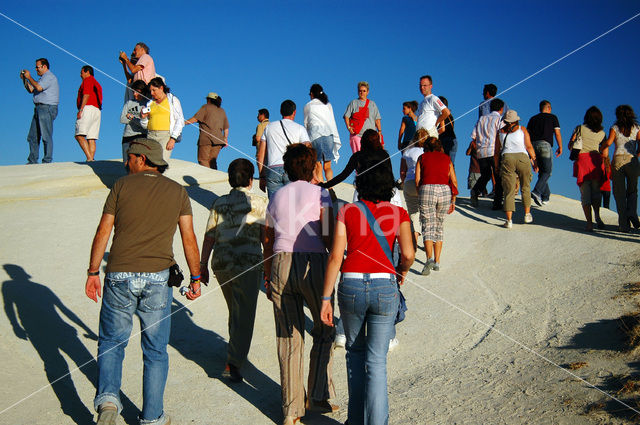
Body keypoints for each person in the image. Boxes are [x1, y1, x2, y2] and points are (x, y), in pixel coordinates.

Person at [85, 138, 201, 425]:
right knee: (156, 351)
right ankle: (151, 418)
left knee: (112, 342)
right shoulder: (178, 191)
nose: (126, 163)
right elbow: (189, 237)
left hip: (119, 275)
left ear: (141, 158)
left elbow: (103, 230)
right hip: (158, 279)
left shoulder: (121, 186)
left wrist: (92, 272)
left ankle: (109, 403)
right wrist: (196, 277)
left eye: (130, 158)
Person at [320, 149, 415, 425]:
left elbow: (336, 256)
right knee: (376, 362)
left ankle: (355, 421)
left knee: (354, 355)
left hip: (350, 284)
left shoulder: (348, 211)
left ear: (360, 180)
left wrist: (326, 298)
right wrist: (402, 272)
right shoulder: (398, 213)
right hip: (385, 285)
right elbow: (407, 253)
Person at [263, 143, 337, 425]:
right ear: (313, 166)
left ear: (288, 168)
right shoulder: (322, 194)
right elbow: (328, 233)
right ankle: (317, 394)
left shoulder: (277, 195)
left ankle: (291, 411)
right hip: (313, 262)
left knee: (288, 336)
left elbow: (267, 238)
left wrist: (268, 274)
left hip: (281, 261)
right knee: (324, 327)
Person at [199, 158, 268, 382]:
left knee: (235, 309)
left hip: (222, 263)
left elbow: (210, 236)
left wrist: (202, 265)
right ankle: (234, 361)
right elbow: (266, 239)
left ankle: (236, 351)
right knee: (245, 314)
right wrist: (269, 267)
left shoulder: (219, 203)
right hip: (247, 263)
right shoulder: (260, 202)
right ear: (250, 180)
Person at [415, 137, 457, 274]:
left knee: (428, 225)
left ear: (426, 147)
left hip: (427, 188)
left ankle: (428, 259)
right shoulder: (447, 159)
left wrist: (420, 193)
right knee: (439, 225)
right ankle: (437, 262)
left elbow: (417, 180)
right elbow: (454, 181)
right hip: (445, 190)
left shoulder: (422, 158)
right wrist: (453, 201)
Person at [257, 100, 311, 198]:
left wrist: (262, 176)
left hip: (272, 169)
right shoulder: (300, 128)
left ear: (281, 112)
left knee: (274, 207)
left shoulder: (269, 127)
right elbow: (308, 150)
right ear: (294, 112)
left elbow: (261, 154)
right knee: (292, 206)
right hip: (292, 169)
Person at [600, 105, 640, 232]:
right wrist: (636, 155)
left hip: (618, 159)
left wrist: (601, 148)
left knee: (619, 193)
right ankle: (632, 213)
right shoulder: (637, 128)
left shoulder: (615, 128)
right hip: (631, 160)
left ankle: (624, 224)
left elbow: (609, 142)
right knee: (632, 190)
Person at [499, 110, 537, 229]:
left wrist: (497, 164)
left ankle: (509, 220)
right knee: (525, 187)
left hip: (507, 158)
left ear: (505, 121)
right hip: (522, 157)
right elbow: (529, 146)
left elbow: (497, 150)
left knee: (509, 190)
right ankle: (527, 214)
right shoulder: (522, 129)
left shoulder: (500, 132)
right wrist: (534, 160)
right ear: (516, 120)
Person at [570, 106, 606, 231]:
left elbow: (571, 145)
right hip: (596, 161)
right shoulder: (602, 133)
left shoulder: (579, 128)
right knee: (596, 193)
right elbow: (605, 152)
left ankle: (589, 223)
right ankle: (598, 217)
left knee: (585, 195)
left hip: (582, 162)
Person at [320, 129, 392, 190]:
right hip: (383, 192)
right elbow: (390, 175)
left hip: (365, 192)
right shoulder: (384, 155)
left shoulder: (357, 156)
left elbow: (343, 175)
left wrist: (325, 185)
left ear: (363, 141)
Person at [21, 57, 59, 164]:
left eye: (37, 67)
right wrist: (25, 79)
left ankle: (47, 160)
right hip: (38, 108)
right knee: (33, 136)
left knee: (46, 135)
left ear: (44, 66)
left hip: (46, 108)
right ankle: (32, 160)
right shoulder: (42, 78)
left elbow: (38, 88)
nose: (36, 69)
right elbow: (31, 89)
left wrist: (29, 77)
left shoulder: (49, 77)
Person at [469, 98, 505, 209]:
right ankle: (497, 203)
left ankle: (475, 190)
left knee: (485, 175)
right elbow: (502, 135)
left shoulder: (482, 119)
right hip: (494, 151)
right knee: (498, 176)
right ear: (501, 109)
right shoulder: (500, 120)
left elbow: (473, 135)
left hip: (481, 151)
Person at [527, 100, 563, 206]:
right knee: (547, 172)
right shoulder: (553, 117)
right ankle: (537, 191)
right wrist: (560, 146)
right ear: (549, 108)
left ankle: (546, 196)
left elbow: (527, 135)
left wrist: (530, 153)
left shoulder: (533, 119)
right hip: (545, 145)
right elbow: (557, 133)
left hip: (533, 145)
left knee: (542, 172)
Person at [304, 83, 342, 182]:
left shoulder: (308, 106)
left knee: (318, 165)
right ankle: (331, 186)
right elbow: (332, 120)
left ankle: (322, 189)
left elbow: (306, 124)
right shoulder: (328, 105)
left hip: (315, 136)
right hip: (328, 135)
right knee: (328, 165)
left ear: (312, 94)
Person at [141, 77, 184, 162]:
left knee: (162, 162)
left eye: (154, 90)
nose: (152, 93)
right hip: (151, 135)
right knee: (150, 161)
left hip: (165, 135)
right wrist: (144, 118)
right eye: (150, 91)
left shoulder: (172, 100)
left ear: (161, 88)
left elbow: (180, 120)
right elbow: (144, 125)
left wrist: (173, 138)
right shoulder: (150, 103)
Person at [185, 92, 229, 170]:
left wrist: (183, 123)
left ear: (208, 99)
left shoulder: (206, 107)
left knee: (203, 160)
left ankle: (207, 178)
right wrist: (225, 138)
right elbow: (226, 127)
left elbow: (195, 119)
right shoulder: (222, 111)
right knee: (212, 161)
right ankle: (215, 178)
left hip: (206, 139)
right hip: (219, 140)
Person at [401, 128, 428, 242]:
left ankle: (415, 240)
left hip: (409, 183)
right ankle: (428, 241)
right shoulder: (426, 152)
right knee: (425, 213)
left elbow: (402, 172)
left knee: (413, 214)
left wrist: (403, 183)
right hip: (423, 183)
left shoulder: (407, 152)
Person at [344, 81, 382, 153]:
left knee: (372, 157)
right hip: (357, 135)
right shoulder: (354, 103)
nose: (362, 93)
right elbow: (346, 116)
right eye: (360, 91)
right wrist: (349, 127)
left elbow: (377, 119)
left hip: (370, 136)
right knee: (358, 157)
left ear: (367, 92)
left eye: (364, 91)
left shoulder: (372, 104)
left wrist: (379, 131)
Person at [75, 65, 103, 162]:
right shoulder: (97, 83)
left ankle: (90, 158)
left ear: (87, 72)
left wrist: (81, 109)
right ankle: (91, 160)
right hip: (97, 110)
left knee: (79, 135)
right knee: (91, 138)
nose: (80, 75)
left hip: (88, 108)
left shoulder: (88, 80)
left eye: (81, 72)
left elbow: (86, 94)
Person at [120, 80, 148, 161]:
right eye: (133, 92)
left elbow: (144, 125)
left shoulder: (147, 104)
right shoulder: (129, 103)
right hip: (127, 136)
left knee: (138, 162)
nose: (135, 94)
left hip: (141, 136)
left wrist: (132, 118)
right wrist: (137, 120)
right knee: (126, 162)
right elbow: (122, 119)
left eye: (137, 92)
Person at [438, 96, 457, 166]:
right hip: (453, 140)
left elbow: (442, 129)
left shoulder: (442, 115)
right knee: (450, 164)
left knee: (443, 164)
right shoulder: (450, 116)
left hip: (445, 140)